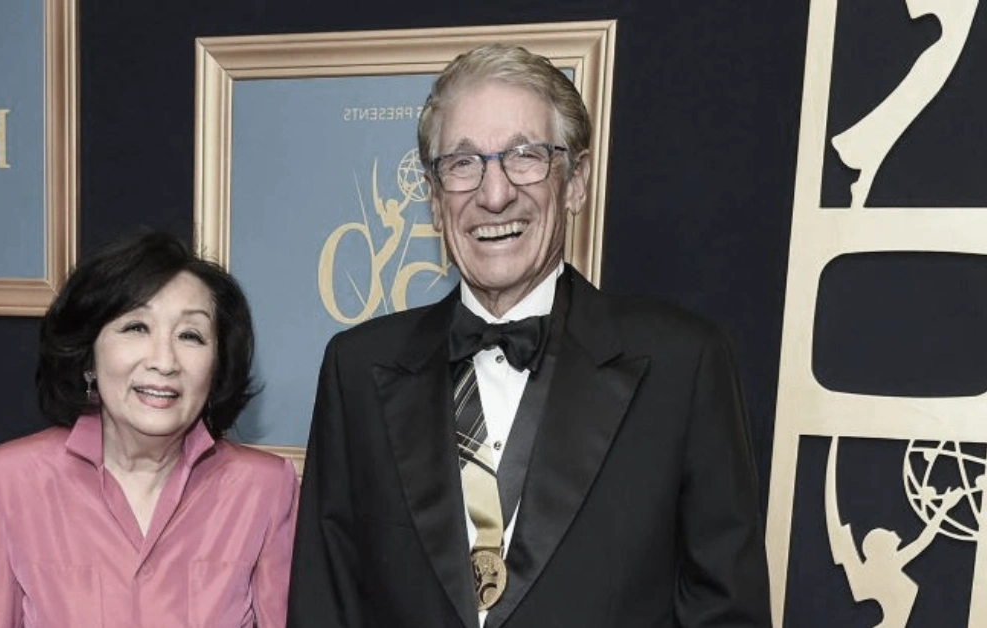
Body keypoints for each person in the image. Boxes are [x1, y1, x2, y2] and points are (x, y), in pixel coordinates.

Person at [287, 44, 771, 627]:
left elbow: (726, 614)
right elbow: (326, 604)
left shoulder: (683, 364)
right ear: (434, 200)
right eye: (462, 163)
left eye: (525, 156)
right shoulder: (358, 369)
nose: (494, 195)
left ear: (575, 182)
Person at [0, 230, 298, 627]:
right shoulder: (8, 482)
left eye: (190, 335)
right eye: (137, 327)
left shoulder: (264, 489)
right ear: (89, 352)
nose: (164, 361)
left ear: (217, 365)